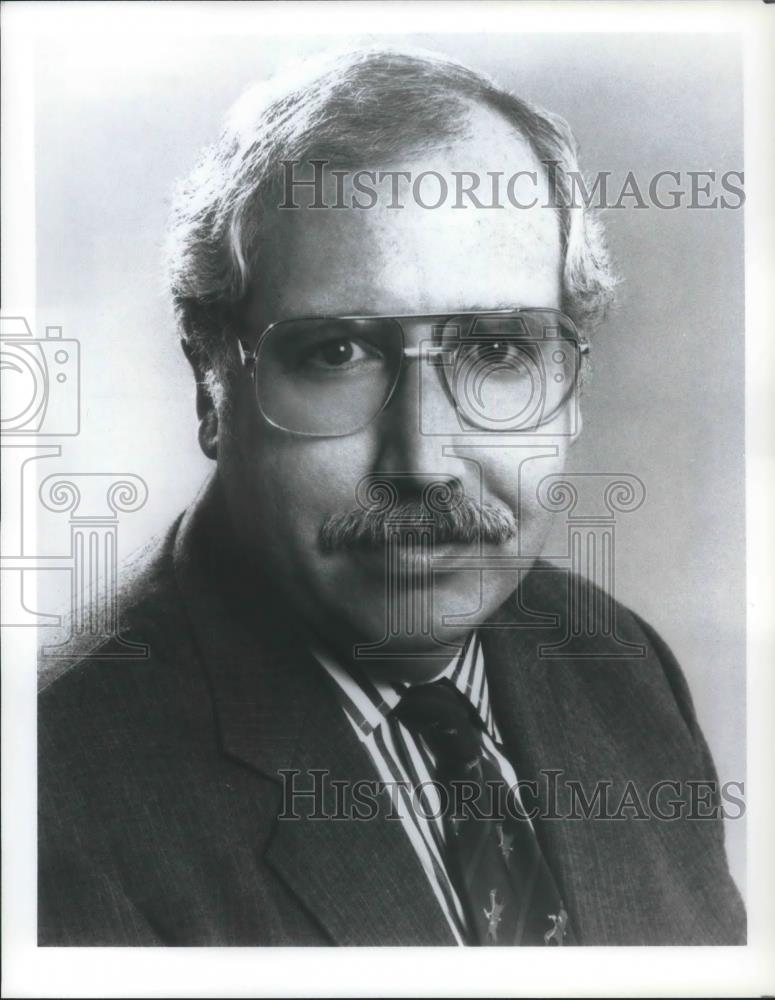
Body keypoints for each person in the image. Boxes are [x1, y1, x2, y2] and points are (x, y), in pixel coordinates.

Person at [38, 46, 745, 946]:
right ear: (211, 382)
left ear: (569, 388)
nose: (423, 462)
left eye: (495, 350)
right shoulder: (50, 798)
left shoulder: (619, 667)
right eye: (336, 352)